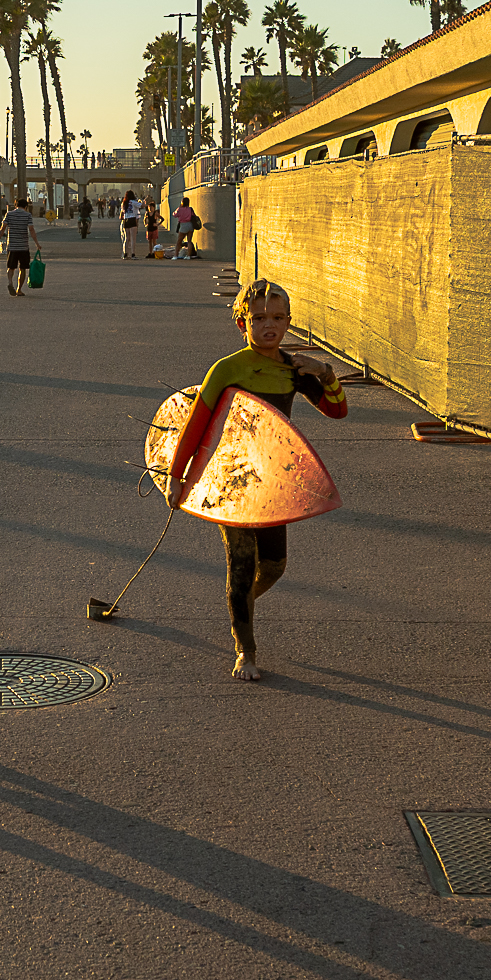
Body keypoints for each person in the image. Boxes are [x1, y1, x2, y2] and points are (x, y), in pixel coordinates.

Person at [166, 278, 347, 680]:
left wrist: (324, 372)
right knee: (242, 564)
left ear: (288, 323)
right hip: (231, 482)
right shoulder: (228, 369)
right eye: (260, 317)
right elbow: (195, 425)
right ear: (241, 322)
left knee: (276, 566)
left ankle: (239, 604)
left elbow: (337, 411)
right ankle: (245, 650)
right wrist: (176, 477)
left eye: (279, 318)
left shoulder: (293, 369)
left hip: (274, 481)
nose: (270, 325)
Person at [0, 194, 41, 295]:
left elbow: (2, 228)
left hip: (12, 245)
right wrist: (37, 243)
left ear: (15, 205)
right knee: (23, 268)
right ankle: (19, 289)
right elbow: (32, 230)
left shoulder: (9, 214)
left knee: (11, 267)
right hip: (23, 246)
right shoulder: (27, 215)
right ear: (26, 206)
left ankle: (10, 282)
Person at [119, 190, 143, 259]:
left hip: (126, 220)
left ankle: (125, 253)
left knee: (127, 238)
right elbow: (142, 205)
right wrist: (143, 201)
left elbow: (122, 212)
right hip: (132, 219)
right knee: (133, 238)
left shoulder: (124, 203)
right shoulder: (134, 202)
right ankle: (133, 254)